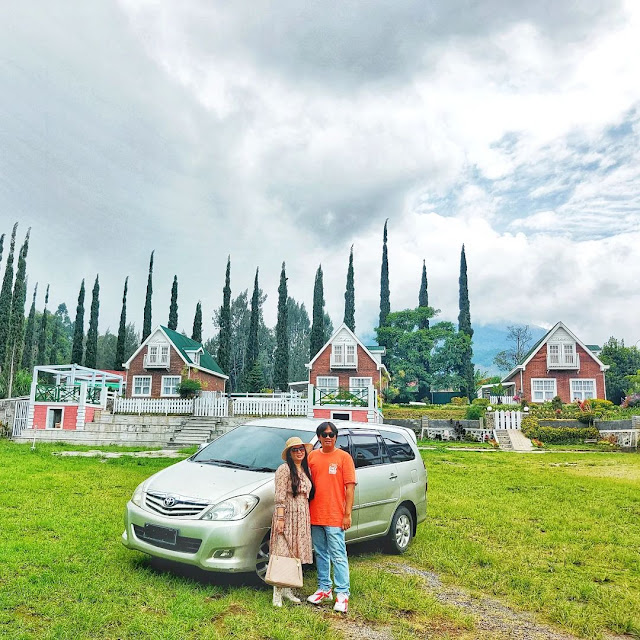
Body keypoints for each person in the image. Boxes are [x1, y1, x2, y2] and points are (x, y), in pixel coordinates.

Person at [306, 421, 356, 613]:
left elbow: (350, 488)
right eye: (324, 434)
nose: (328, 437)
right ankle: (324, 588)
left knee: (338, 555)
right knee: (320, 553)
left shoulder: (344, 458)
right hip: (315, 514)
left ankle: (342, 594)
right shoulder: (312, 457)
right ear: (319, 437)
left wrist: (347, 514)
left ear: (336, 437)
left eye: (331, 434)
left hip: (335, 515)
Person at [270, 436, 315, 607]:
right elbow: (280, 495)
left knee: (295, 552)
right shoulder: (284, 469)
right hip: (288, 513)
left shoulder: (304, 469)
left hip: (302, 514)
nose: (299, 452)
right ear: (289, 453)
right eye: (295, 450)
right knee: (283, 552)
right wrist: (280, 518)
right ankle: (277, 592)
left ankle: (288, 589)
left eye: (301, 449)